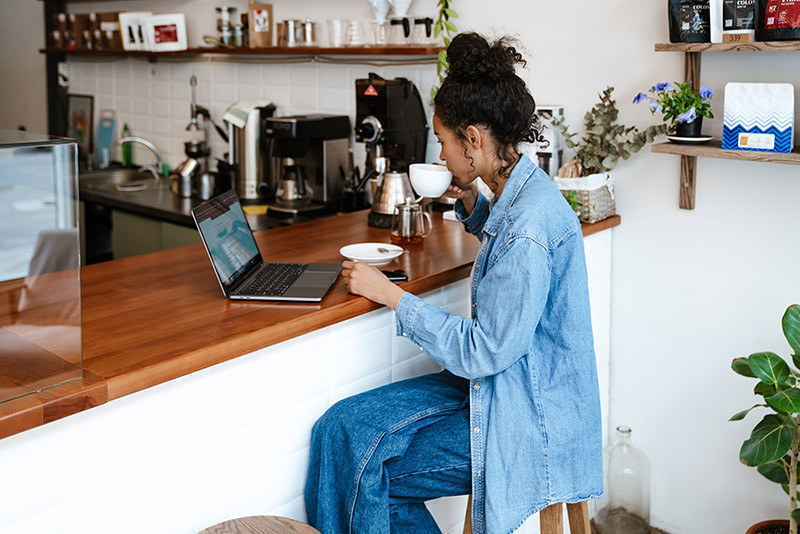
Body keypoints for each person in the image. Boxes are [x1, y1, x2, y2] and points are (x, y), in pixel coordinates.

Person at [304, 32, 603, 534]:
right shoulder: (525, 193)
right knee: (341, 428)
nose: (440, 155)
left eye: (443, 141)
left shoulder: (529, 229)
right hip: (505, 389)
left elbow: (485, 350)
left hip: (524, 420)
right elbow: (511, 261)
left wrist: (391, 296)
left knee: (360, 462)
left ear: (474, 139)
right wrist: (474, 208)